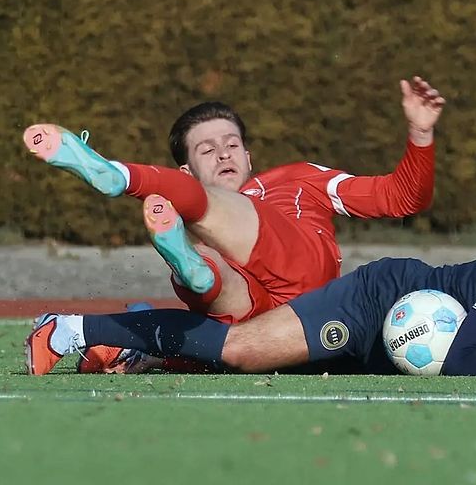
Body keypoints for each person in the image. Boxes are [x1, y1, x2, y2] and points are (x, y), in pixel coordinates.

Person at [24, 76, 445, 372]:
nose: (224, 154)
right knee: (207, 264)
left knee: (212, 233)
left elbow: (403, 198)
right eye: (207, 150)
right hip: (249, 323)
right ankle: (191, 268)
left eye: (232, 144)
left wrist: (420, 134)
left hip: (307, 289)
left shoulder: (297, 178)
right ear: (186, 173)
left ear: (248, 157)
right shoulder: (192, 218)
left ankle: (123, 177)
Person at [26, 227, 476, 378]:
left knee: (270, 365)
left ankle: (134, 343)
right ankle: (72, 327)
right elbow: (469, 354)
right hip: (385, 304)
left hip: (402, 351)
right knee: (243, 350)